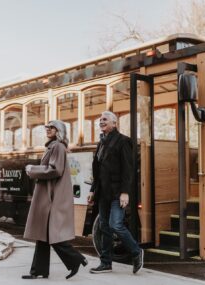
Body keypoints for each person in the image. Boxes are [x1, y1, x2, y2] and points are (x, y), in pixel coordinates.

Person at [22, 120, 87, 280]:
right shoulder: (54, 146)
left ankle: (75, 259)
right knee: (43, 234)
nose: (48, 129)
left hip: (52, 196)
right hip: (51, 194)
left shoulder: (56, 146)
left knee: (52, 234)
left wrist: (32, 169)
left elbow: (55, 170)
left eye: (52, 127)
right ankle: (39, 271)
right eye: (47, 127)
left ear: (59, 130)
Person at [87, 111, 144, 274]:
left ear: (114, 123)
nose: (101, 121)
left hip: (117, 192)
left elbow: (128, 170)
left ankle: (136, 251)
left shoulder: (123, 141)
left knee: (115, 224)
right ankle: (106, 263)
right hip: (103, 193)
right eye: (100, 119)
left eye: (105, 119)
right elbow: (97, 170)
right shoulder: (102, 143)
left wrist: (125, 192)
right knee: (104, 227)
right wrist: (92, 190)